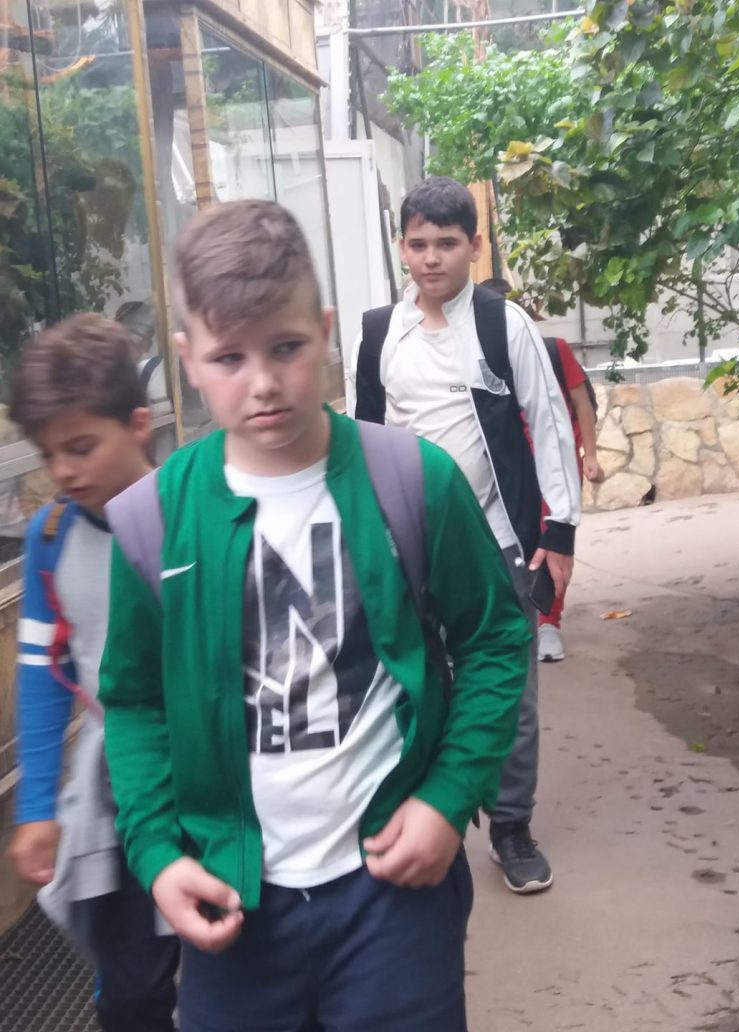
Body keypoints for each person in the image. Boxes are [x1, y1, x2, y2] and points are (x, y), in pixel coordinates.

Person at [98, 198, 530, 1032]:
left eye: (286, 348)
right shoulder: (154, 521)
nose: (262, 383)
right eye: (229, 356)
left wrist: (448, 795)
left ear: (326, 332)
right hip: (233, 905)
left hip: (394, 897)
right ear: (187, 360)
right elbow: (136, 702)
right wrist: (155, 855)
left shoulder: (415, 480)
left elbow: (494, 639)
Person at [348, 176, 582, 896]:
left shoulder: (501, 324)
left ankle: (510, 826)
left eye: (447, 243)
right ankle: (419, 817)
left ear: (474, 247)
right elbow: (362, 439)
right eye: (418, 243)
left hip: (499, 543)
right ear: (401, 248)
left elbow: (549, 421)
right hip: (406, 547)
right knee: (410, 683)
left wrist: (560, 532)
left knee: (508, 691)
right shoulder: (379, 333)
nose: (431, 258)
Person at [7, 314, 179, 1032]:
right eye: (50, 453)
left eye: (81, 447)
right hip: (117, 796)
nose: (64, 471)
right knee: (132, 989)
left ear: (138, 426)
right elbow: (42, 678)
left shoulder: (195, 516)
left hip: (215, 785)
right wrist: (36, 807)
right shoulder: (51, 538)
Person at [480, 279, 606, 662]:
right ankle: (516, 618)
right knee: (509, 544)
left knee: (553, 539)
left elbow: (581, 403)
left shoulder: (553, 349)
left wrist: (590, 455)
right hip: (510, 466)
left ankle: (550, 622)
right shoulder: (476, 354)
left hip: (556, 463)